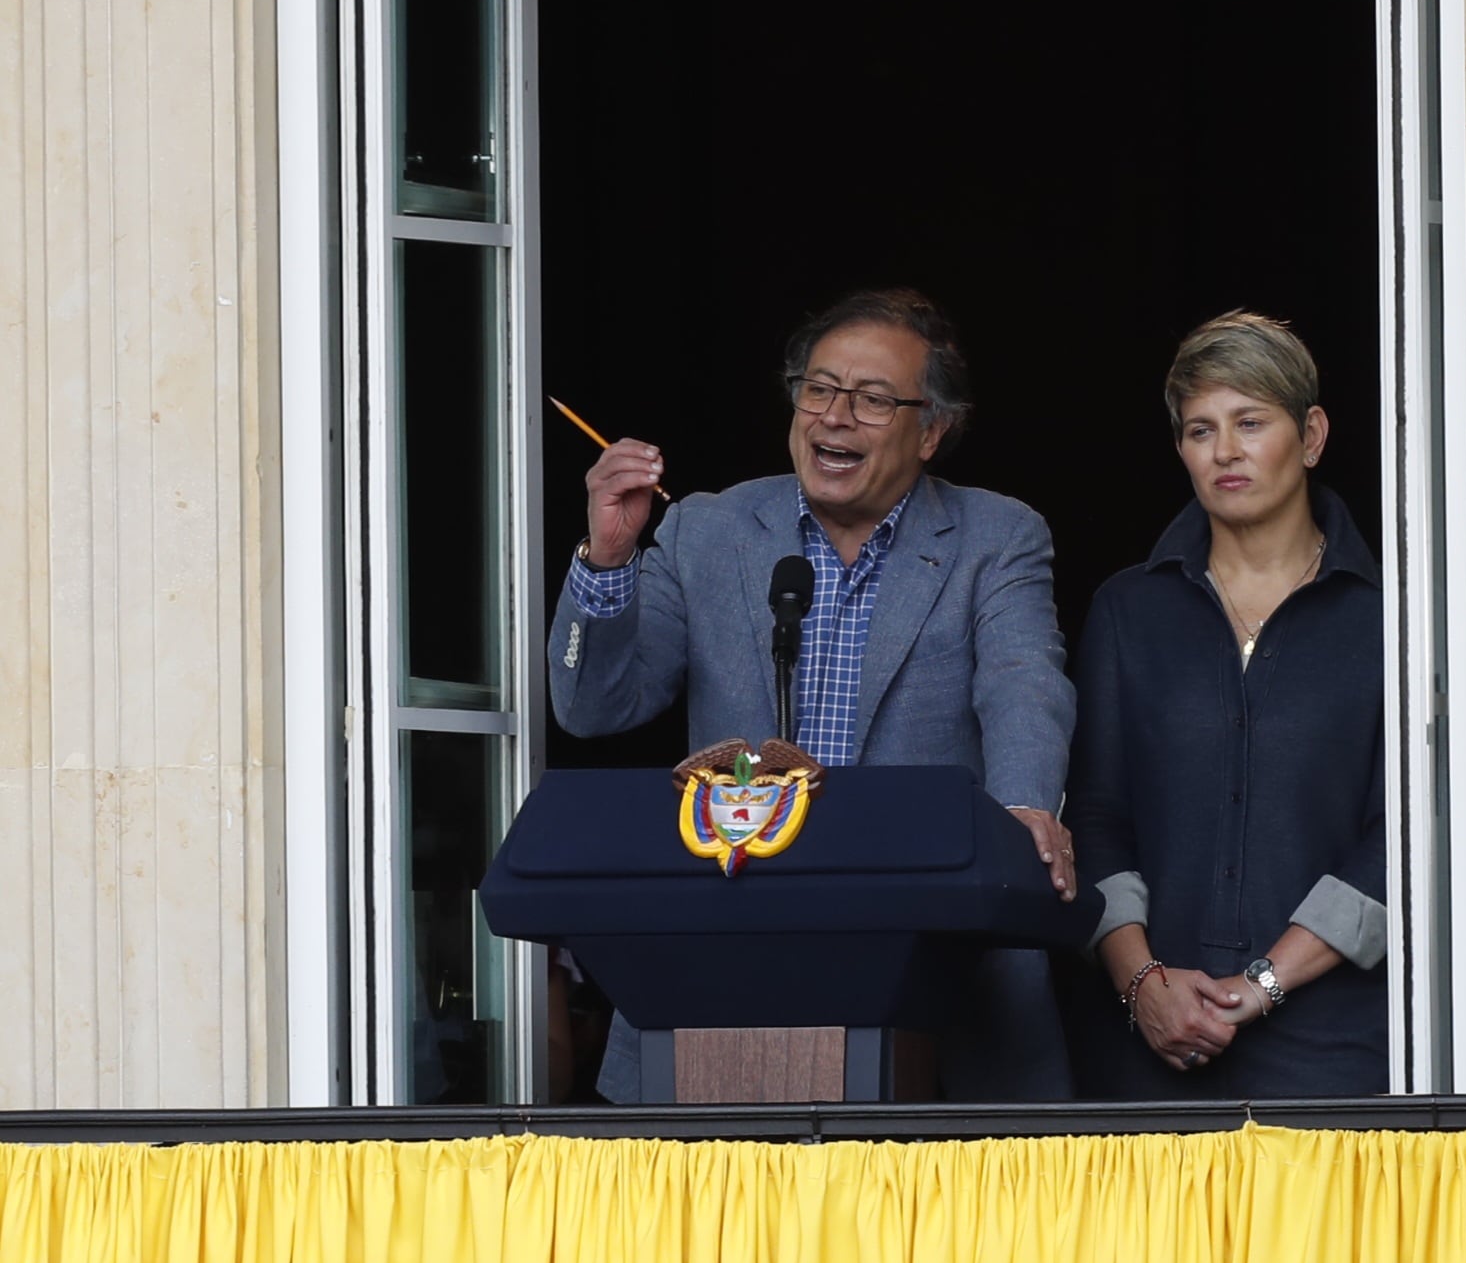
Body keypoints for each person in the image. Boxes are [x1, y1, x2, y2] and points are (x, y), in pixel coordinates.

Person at [549, 288, 1078, 1100]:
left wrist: (1023, 810)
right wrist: (608, 557)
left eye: (872, 399)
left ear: (930, 431)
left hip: (932, 968)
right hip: (729, 965)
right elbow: (593, 707)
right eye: (818, 388)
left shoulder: (995, 536)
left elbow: (1023, 683)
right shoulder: (706, 529)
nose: (834, 416)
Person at [1065, 311, 1386, 1098]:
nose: (1224, 451)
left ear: (1310, 436)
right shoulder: (1127, 610)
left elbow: (1403, 837)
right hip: (1149, 1046)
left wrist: (1262, 984)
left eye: (1250, 422)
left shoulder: (1391, 618)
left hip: (1332, 1051)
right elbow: (1096, 818)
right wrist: (1142, 985)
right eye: (1199, 429)